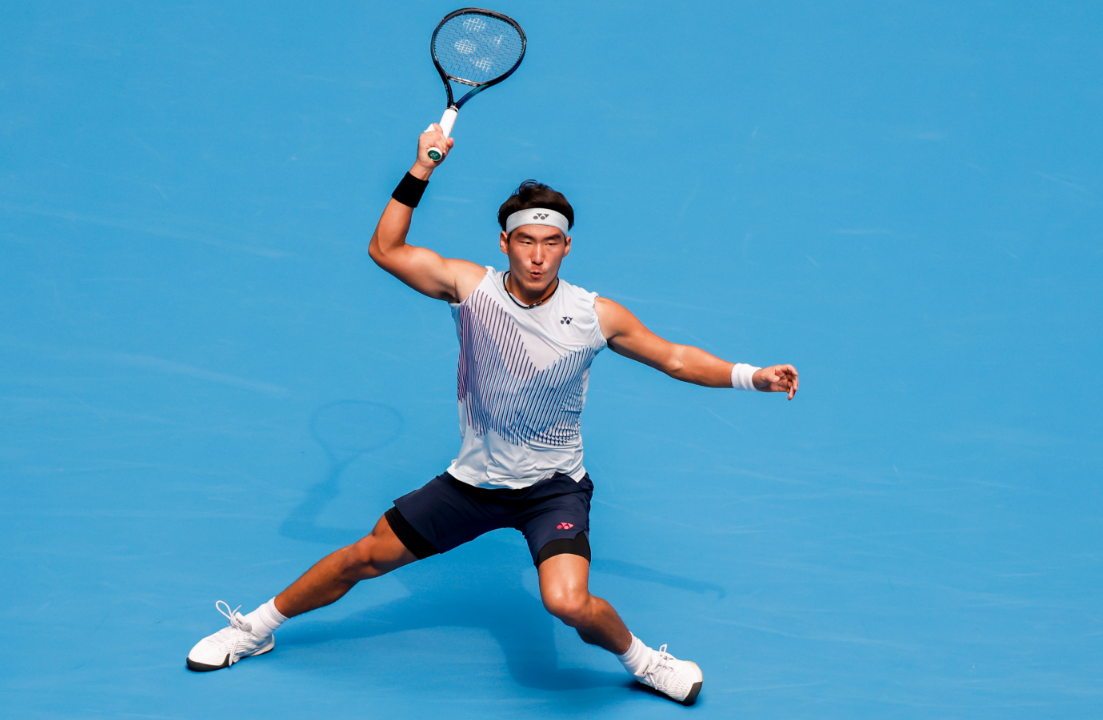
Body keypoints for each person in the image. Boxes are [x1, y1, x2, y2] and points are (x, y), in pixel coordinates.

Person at [185, 125, 800, 706]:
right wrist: (421, 166)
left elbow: (673, 358)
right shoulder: (468, 287)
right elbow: (385, 249)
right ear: (504, 243)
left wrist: (752, 377)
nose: (537, 257)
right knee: (364, 557)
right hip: (473, 484)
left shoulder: (594, 314)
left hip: (552, 490)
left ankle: (645, 662)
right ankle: (255, 628)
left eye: (551, 242)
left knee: (567, 601)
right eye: (525, 241)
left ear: (567, 246)